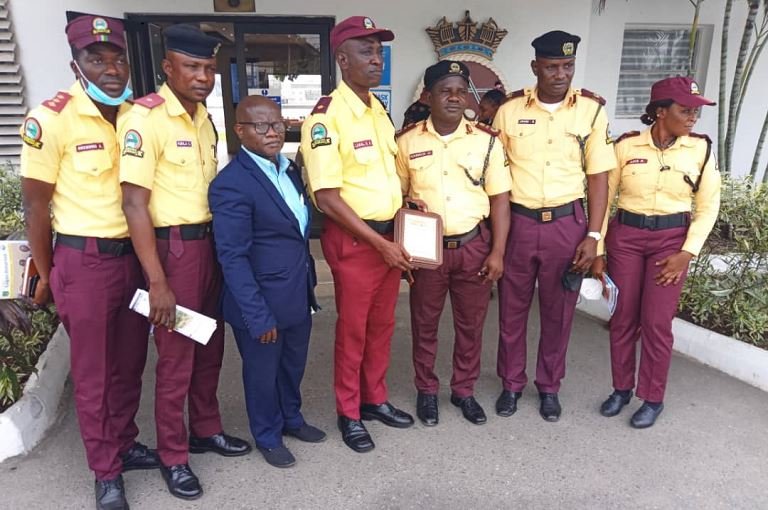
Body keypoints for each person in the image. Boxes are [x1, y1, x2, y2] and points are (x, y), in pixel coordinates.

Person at [20, 15, 157, 510]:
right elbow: (36, 205)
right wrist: (47, 271)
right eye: (96, 59)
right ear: (75, 65)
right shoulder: (51, 119)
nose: (111, 68)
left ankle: (124, 441)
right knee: (95, 372)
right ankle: (105, 470)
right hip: (86, 262)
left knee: (130, 364)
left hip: (135, 261)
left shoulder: (139, 116)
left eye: (117, 57)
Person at [119, 24, 250, 500]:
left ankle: (205, 429)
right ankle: (174, 455)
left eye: (210, 68)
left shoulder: (203, 119)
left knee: (209, 347)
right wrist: (157, 280)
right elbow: (134, 204)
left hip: (210, 245)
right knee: (176, 357)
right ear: (167, 68)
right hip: (173, 252)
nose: (202, 77)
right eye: (192, 67)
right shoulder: (145, 119)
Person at [301, 15, 414, 454]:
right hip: (357, 244)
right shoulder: (326, 118)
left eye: (379, 51)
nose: (376, 59)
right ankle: (348, 413)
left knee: (382, 326)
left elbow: (386, 181)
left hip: (388, 240)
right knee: (353, 330)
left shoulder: (377, 110)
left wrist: (402, 223)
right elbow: (327, 198)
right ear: (342, 59)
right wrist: (380, 243)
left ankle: (375, 399)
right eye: (366, 52)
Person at [493, 30, 616, 422]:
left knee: (559, 310)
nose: (560, 74)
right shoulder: (509, 111)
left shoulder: (592, 111)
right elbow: (493, 174)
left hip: (567, 224)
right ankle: (511, 384)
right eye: (551, 67)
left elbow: (599, 177)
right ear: (535, 68)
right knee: (511, 309)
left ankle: (549, 387)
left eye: (567, 66)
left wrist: (594, 237)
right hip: (518, 223)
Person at [591, 76, 721, 429]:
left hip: (671, 243)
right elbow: (603, 202)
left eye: (696, 111)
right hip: (627, 239)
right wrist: (599, 249)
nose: (693, 117)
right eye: (685, 110)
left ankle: (652, 398)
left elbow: (708, 207)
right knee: (622, 319)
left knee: (657, 323)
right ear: (660, 112)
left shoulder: (701, 149)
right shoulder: (627, 147)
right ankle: (620, 389)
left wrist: (687, 253)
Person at [208, 96, 325, 468]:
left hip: (295, 292)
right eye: (261, 125)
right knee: (262, 373)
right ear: (240, 131)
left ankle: (291, 418)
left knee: (292, 364)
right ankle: (268, 434)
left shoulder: (287, 170)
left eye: (277, 123)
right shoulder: (232, 184)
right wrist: (257, 315)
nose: (273, 131)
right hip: (259, 301)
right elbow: (233, 256)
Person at [396, 61, 511, 426]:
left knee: (470, 325)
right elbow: (396, 196)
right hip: (426, 250)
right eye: (446, 90)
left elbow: (500, 201)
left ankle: (464, 390)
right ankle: (426, 391)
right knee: (424, 323)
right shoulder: (407, 141)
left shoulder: (487, 141)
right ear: (427, 96)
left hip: (474, 245)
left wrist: (497, 252)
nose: (455, 97)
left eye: (461, 91)